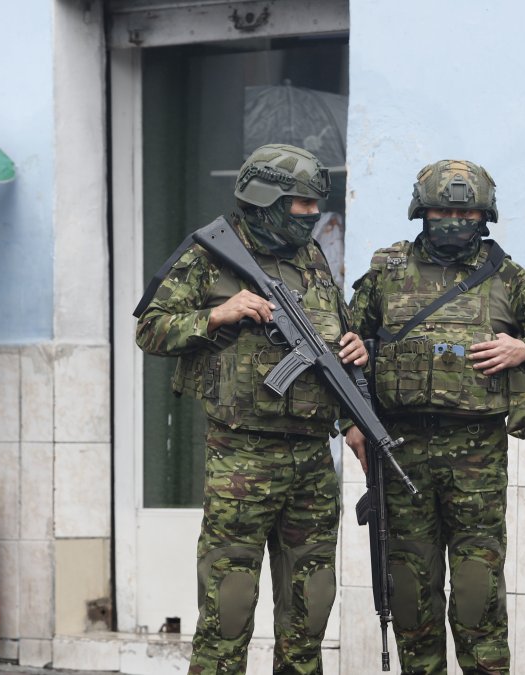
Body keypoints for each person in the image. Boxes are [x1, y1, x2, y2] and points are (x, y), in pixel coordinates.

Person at [135, 144, 366, 675]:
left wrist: (353, 355)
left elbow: (333, 335)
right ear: (263, 200)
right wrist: (217, 314)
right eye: (299, 205)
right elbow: (149, 328)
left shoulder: (311, 261)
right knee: (228, 610)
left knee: (310, 611)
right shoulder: (208, 255)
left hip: (311, 459)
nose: (311, 216)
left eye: (315, 206)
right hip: (242, 459)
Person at [345, 159, 525, 674]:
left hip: (476, 457)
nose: (454, 219)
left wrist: (522, 349)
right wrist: (352, 422)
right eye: (443, 209)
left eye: (465, 210)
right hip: (399, 452)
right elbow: (346, 349)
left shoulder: (509, 277)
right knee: (410, 594)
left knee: (477, 591)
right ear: (421, 212)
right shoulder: (386, 272)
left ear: (484, 214)